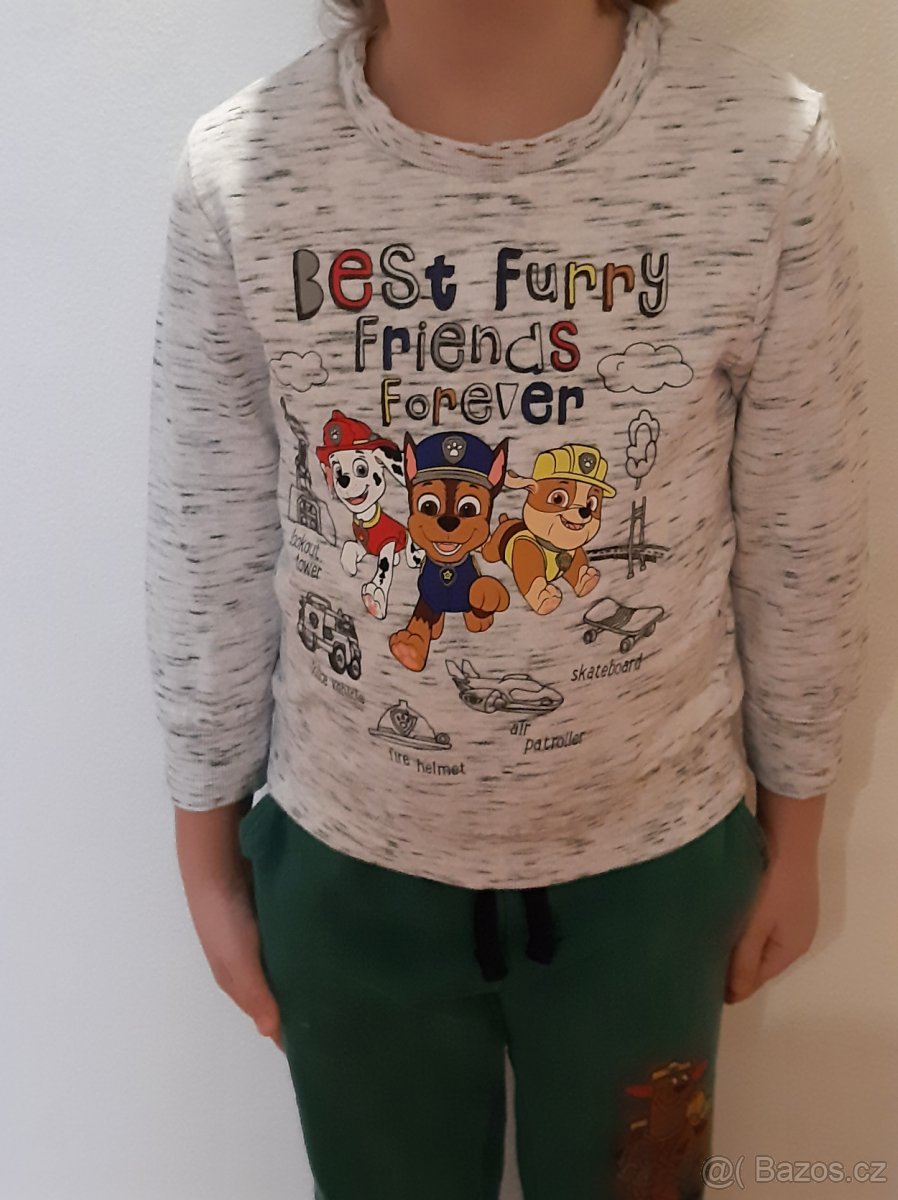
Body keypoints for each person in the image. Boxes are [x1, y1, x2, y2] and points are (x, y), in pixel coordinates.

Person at [144, 0, 869, 1195]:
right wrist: (203, 847)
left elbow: (804, 520)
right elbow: (206, 530)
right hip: (342, 872)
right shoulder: (240, 169)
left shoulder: (763, 147)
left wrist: (797, 826)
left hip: (655, 873)